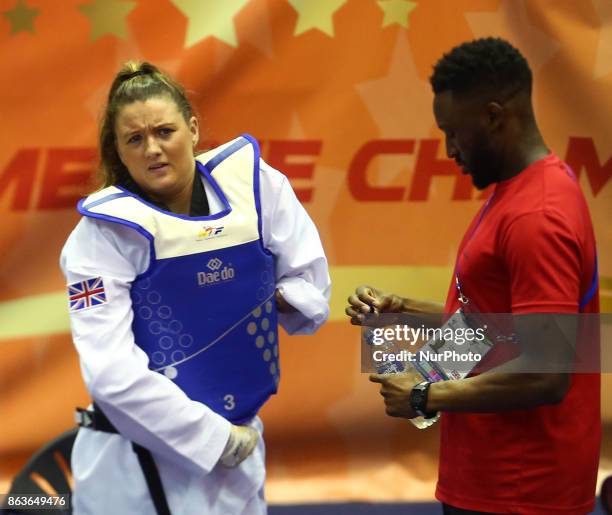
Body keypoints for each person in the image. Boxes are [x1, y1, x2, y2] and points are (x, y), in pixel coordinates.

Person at [60, 61, 330, 515]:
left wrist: (272, 300)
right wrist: (215, 439)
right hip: (135, 464)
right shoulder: (101, 237)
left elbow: (311, 284)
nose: (153, 149)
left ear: (193, 127)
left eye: (165, 131)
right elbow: (110, 375)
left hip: (240, 441)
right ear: (118, 152)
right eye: (135, 139)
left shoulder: (257, 188)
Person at [346, 38, 599, 514]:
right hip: (493, 480)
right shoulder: (520, 193)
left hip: (521, 492)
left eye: (454, 132)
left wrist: (424, 394)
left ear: (494, 116)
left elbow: (548, 372)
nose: (449, 150)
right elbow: (498, 326)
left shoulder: (537, 215)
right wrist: (403, 310)